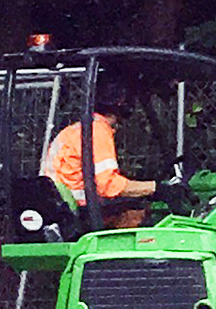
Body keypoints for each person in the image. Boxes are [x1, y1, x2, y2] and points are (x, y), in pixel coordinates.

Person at [41, 79, 159, 227]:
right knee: (138, 216)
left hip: (64, 207)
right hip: (78, 213)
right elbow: (108, 185)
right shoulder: (98, 131)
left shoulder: (78, 129)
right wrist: (155, 188)